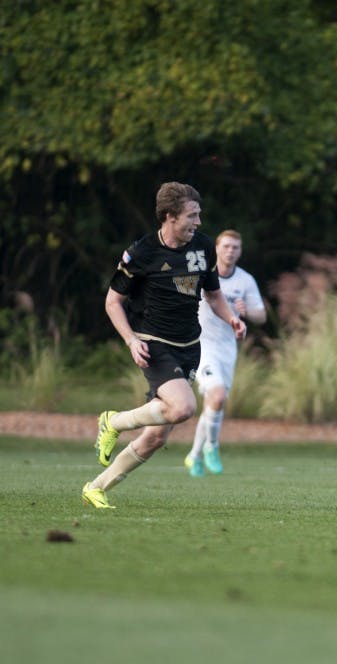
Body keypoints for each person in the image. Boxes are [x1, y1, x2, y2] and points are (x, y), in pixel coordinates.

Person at [81, 182, 246, 509]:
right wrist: (130, 339)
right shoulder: (142, 253)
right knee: (184, 407)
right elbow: (113, 302)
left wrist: (231, 318)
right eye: (192, 215)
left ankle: (96, 487)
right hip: (154, 343)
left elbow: (213, 295)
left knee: (156, 436)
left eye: (199, 215)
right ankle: (112, 422)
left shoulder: (202, 248)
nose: (199, 222)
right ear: (169, 217)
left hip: (190, 345)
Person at [184, 229, 266, 477]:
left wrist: (246, 311)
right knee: (217, 396)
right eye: (226, 246)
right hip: (201, 345)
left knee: (213, 403)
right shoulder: (202, 273)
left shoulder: (245, 280)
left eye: (236, 247)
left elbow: (261, 315)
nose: (231, 251)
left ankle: (193, 455)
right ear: (216, 248)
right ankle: (212, 446)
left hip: (227, 349)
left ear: (240, 252)